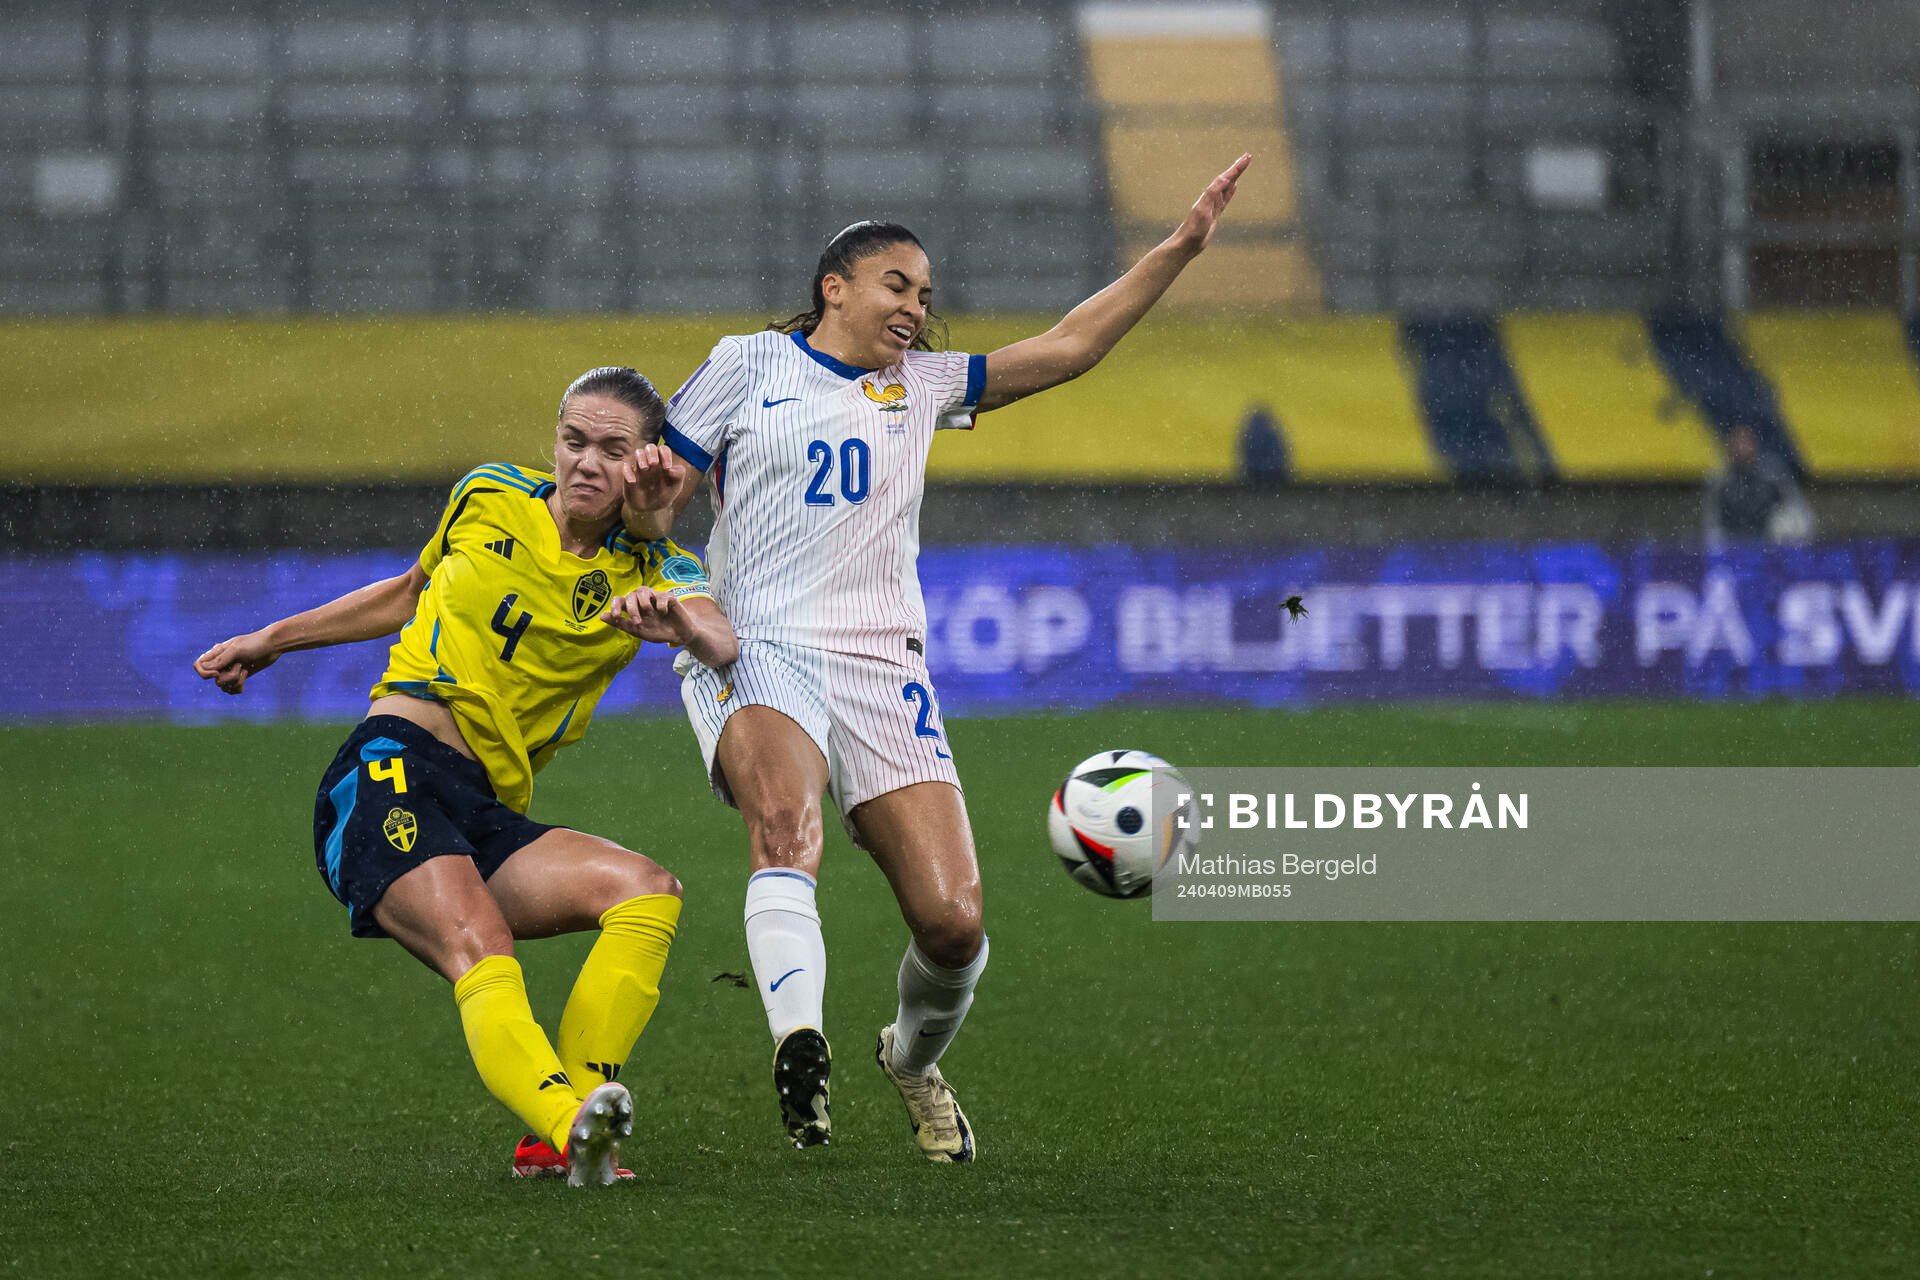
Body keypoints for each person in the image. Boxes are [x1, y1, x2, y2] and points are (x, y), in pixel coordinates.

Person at [620, 156, 1252, 1162]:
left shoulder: (922, 386)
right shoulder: (746, 364)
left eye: (926, 293)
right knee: (785, 828)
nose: (916, 307)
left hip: (884, 665)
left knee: (954, 922)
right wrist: (651, 488)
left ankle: (910, 1057)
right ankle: (800, 1046)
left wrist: (1176, 249)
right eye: (896, 285)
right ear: (836, 287)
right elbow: (653, 511)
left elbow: (1070, 346)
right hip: (756, 643)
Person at [192, 367, 737, 1185]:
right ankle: (570, 1124)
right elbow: (411, 594)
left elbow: (721, 643)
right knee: (480, 947)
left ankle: (566, 1132)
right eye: (573, 440)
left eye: (611, 449)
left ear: (645, 464)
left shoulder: (655, 569)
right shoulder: (486, 495)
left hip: (481, 809)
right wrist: (272, 638)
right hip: (388, 772)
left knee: (646, 890)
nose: (586, 462)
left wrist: (672, 622)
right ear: (554, 439)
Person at [1702, 423, 1814, 549]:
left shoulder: (1772, 473)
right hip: (1733, 546)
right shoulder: (1720, 479)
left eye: (1745, 442)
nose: (1741, 447)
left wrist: (1784, 533)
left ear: (1755, 445)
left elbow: (1797, 509)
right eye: (1736, 443)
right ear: (1728, 448)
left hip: (1770, 545)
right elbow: (1711, 519)